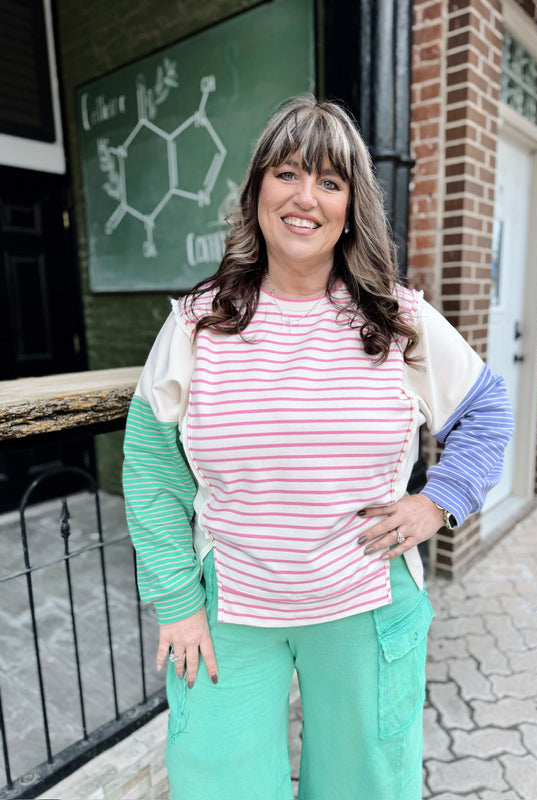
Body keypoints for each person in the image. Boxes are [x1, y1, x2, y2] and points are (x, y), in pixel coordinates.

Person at [122, 96, 513, 800]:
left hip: (366, 599)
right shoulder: (197, 324)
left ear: (350, 205)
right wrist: (177, 600)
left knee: (366, 785)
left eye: (330, 182)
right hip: (230, 609)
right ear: (257, 190)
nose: (306, 198)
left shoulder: (396, 318)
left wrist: (437, 503)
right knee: (218, 785)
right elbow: (151, 466)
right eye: (288, 174)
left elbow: (486, 411)